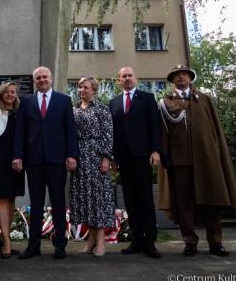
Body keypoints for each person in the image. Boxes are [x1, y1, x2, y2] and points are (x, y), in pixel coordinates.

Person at [156, 65, 236, 257]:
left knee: (211, 200)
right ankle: (190, 242)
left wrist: (217, 154)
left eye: (184, 75)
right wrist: (165, 155)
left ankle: (216, 242)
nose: (181, 78)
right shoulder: (165, 103)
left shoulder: (204, 99)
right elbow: (162, 132)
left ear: (190, 78)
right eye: (176, 76)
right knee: (184, 203)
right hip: (180, 161)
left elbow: (215, 130)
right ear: (172, 81)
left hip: (206, 159)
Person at [12, 66, 79, 260]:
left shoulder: (64, 100)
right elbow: (20, 132)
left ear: (51, 78)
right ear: (35, 81)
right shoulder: (26, 102)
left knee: (58, 203)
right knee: (36, 204)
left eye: (45, 77)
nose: (42, 80)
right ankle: (34, 246)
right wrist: (17, 156)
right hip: (34, 161)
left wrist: (72, 155)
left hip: (57, 161)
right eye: (38, 78)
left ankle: (60, 246)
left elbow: (70, 130)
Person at [109, 66, 161, 258]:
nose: (127, 78)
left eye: (130, 75)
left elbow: (154, 126)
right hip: (123, 159)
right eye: (124, 76)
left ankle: (150, 241)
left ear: (136, 78)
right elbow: (112, 132)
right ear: (119, 80)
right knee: (130, 200)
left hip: (142, 157)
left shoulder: (147, 98)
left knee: (146, 199)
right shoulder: (113, 102)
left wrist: (155, 150)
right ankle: (136, 239)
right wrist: (113, 157)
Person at [69, 76, 115, 257]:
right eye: (80, 87)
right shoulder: (73, 110)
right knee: (86, 199)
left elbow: (108, 134)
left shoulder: (102, 109)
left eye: (85, 87)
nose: (82, 90)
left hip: (96, 156)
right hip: (80, 158)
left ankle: (101, 242)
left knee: (98, 198)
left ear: (94, 90)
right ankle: (90, 242)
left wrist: (106, 158)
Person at [0, 81, 26, 258]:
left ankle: (5, 237)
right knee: (2, 198)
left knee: (11, 199)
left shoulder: (20, 113)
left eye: (13, 92)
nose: (10, 95)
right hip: (0, 159)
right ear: (1, 95)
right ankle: (7, 244)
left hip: (17, 160)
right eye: (7, 92)